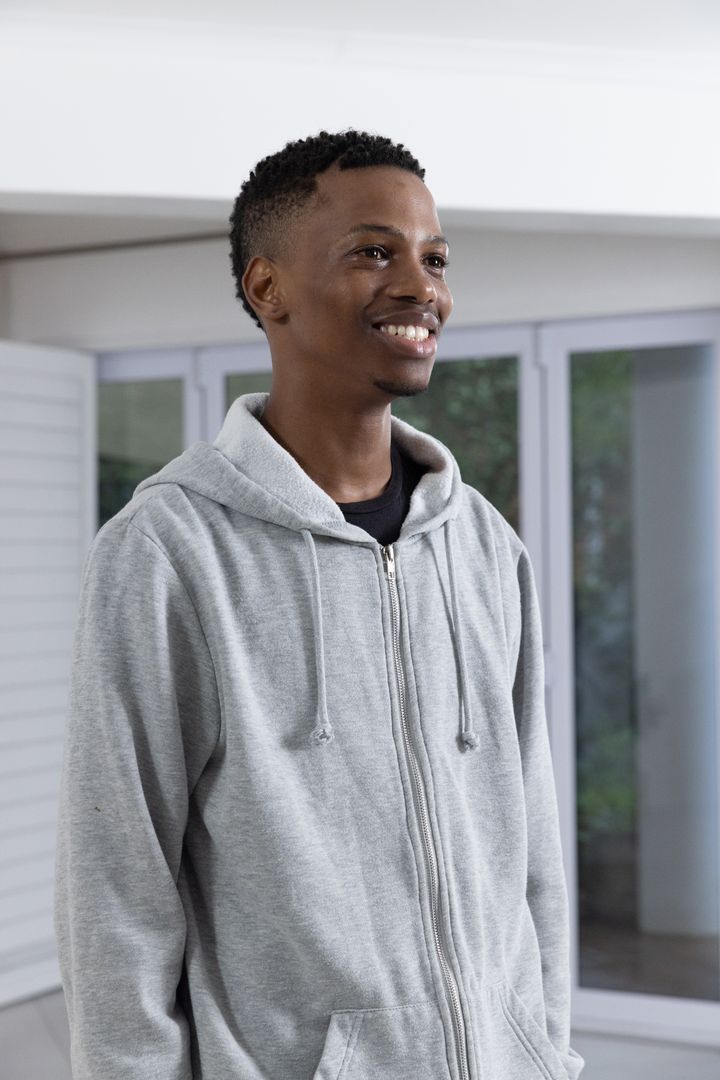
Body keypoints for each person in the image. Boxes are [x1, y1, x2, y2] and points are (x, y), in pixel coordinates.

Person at [54, 129, 585, 1080]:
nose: (420, 287)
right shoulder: (169, 552)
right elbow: (116, 892)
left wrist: (547, 1051)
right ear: (269, 289)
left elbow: (532, 850)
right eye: (374, 252)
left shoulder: (484, 547)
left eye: (434, 259)